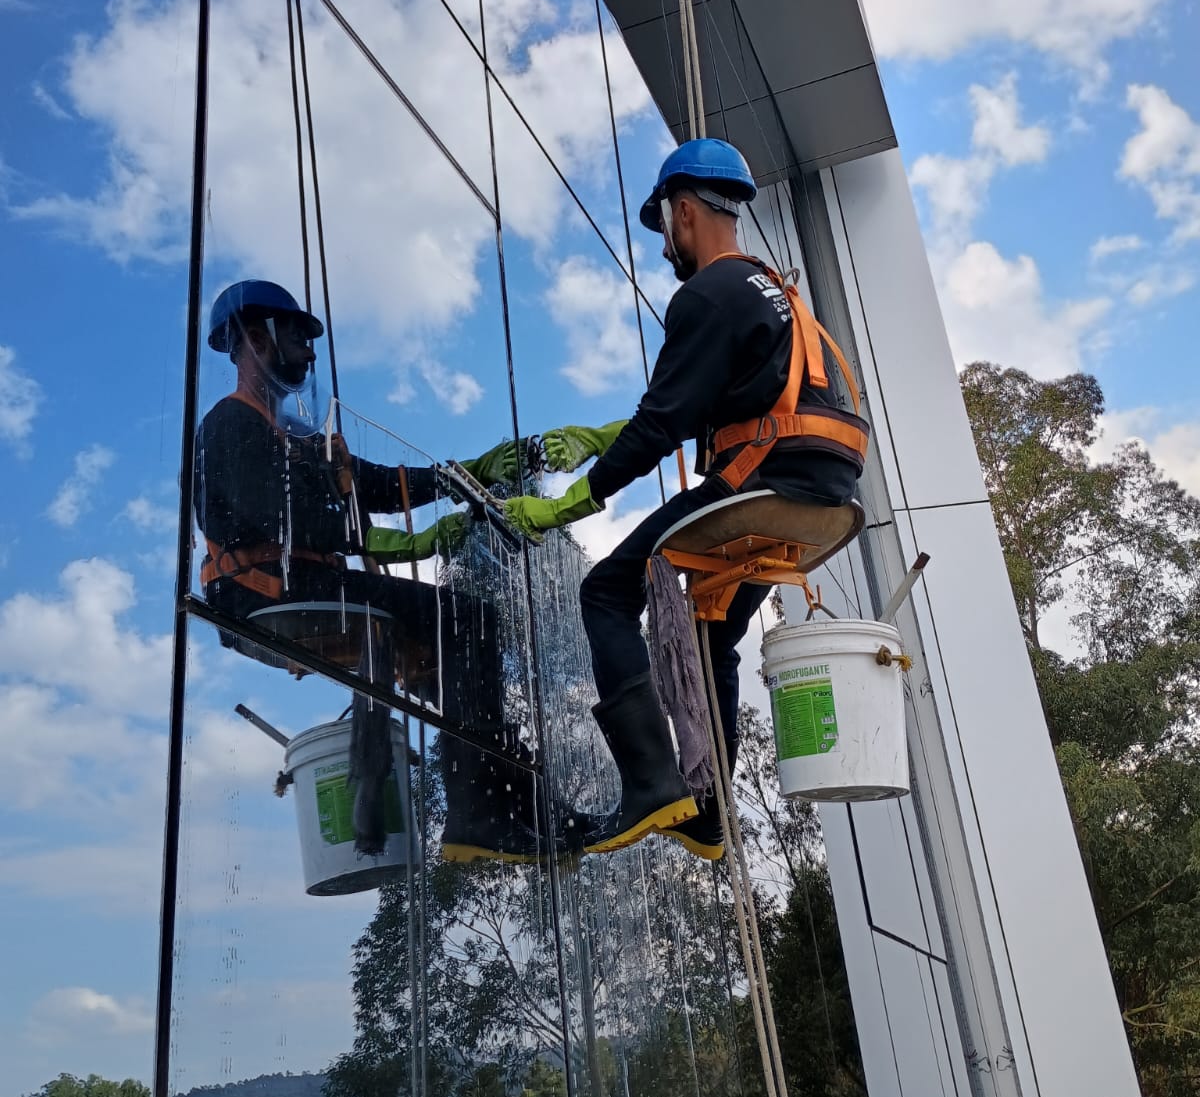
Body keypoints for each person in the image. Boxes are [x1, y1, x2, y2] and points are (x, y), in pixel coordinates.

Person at [505, 140, 869, 860]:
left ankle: (650, 785)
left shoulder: (705, 294)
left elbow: (660, 423)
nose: (666, 241)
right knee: (709, 638)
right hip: (825, 496)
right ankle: (709, 816)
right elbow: (711, 407)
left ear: (684, 213)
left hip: (765, 486)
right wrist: (601, 437)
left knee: (607, 592)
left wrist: (567, 505)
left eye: (665, 225)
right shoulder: (777, 294)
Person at [194, 279, 567, 864]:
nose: (308, 351)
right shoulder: (228, 426)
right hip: (259, 594)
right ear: (253, 336)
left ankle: (522, 803)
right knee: (467, 619)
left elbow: (375, 484)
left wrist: (464, 478)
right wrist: (412, 541)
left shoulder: (299, 440)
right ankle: (481, 812)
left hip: (304, 586)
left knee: (454, 660)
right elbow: (294, 523)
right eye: (296, 334)